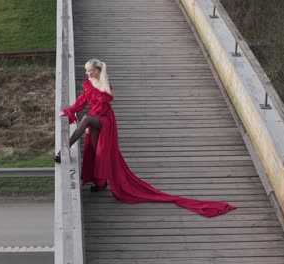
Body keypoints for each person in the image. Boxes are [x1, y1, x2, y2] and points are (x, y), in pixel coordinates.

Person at [55, 58, 236, 217]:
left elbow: (106, 100)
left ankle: (63, 149)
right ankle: (101, 183)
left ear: (98, 70)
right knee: (96, 152)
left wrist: (101, 84)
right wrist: (69, 111)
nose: (87, 74)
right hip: (95, 120)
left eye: (90, 71)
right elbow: (81, 102)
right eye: (86, 71)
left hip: (104, 121)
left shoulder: (105, 87)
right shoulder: (88, 84)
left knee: (86, 120)